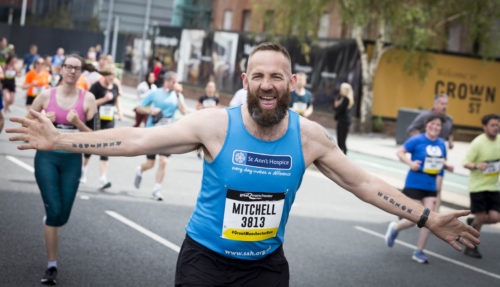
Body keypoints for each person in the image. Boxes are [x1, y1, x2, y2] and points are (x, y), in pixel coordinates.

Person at [8, 42, 479, 286]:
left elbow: (363, 182)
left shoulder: (309, 137)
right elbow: (138, 138)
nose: (268, 84)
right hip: (204, 265)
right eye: (259, 76)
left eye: (278, 76)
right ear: (246, 80)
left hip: (265, 269)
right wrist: (60, 140)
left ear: (291, 82)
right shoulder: (215, 125)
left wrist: (427, 217)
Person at [28, 54, 97, 285]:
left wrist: (77, 123)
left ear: (81, 73)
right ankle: (52, 265)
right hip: (47, 159)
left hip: (72, 161)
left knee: (62, 215)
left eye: (77, 68)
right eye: (68, 66)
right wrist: (41, 122)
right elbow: (28, 123)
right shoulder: (46, 95)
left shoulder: (88, 99)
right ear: (62, 69)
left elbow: (96, 137)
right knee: (54, 211)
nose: (72, 71)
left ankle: (52, 218)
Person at [385, 114, 454, 264]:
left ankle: (419, 251)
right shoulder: (417, 139)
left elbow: (439, 164)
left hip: (431, 186)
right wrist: (410, 163)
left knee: (429, 220)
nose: (435, 127)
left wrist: (444, 171)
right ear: (426, 125)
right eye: (432, 124)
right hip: (415, 183)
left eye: (438, 125)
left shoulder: (441, 144)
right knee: (414, 218)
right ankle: (396, 228)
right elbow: (400, 152)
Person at [133, 71, 187, 200]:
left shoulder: (177, 95)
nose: (176, 85)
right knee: (150, 163)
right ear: (166, 81)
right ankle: (140, 169)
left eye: (177, 82)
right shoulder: (155, 93)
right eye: (174, 82)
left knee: (163, 161)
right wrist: (151, 111)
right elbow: (139, 108)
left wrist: (179, 94)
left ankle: (156, 189)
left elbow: (184, 111)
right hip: (153, 131)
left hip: (168, 133)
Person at [462, 113, 500, 259]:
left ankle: (474, 222)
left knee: (496, 217)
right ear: (484, 127)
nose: (496, 128)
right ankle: (470, 246)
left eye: (498, 125)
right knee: (481, 216)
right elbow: (466, 162)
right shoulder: (478, 143)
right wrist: (478, 165)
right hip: (478, 187)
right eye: (493, 125)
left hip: (494, 187)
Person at [81, 62, 122, 188]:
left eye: (114, 76)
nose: (112, 78)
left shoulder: (114, 86)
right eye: (110, 76)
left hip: (109, 120)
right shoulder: (96, 87)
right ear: (105, 75)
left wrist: (120, 113)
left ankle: (103, 178)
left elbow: (116, 100)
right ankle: (83, 171)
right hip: (95, 118)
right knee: (90, 148)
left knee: (106, 148)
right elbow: (88, 103)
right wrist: (103, 100)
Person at [333, 82, 354, 154]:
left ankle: (343, 153)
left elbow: (340, 109)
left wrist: (337, 105)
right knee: (340, 138)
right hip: (341, 120)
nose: (340, 90)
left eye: (342, 89)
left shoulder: (347, 99)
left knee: (342, 139)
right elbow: (335, 107)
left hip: (344, 121)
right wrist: (336, 105)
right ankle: (342, 153)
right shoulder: (341, 97)